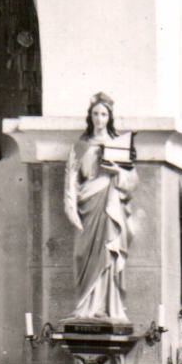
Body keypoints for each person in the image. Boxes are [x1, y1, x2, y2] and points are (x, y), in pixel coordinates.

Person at [63, 92, 136, 323]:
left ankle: (106, 306)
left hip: (109, 201)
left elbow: (131, 179)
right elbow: (71, 178)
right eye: (95, 113)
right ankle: (86, 306)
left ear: (110, 117)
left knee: (107, 249)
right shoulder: (80, 145)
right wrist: (70, 205)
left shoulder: (119, 145)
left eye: (104, 114)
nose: (99, 118)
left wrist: (117, 173)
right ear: (90, 116)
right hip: (87, 202)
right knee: (83, 253)